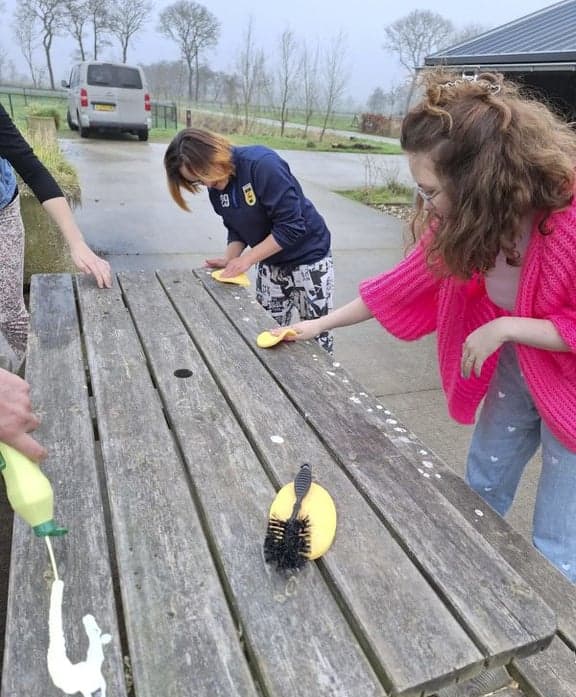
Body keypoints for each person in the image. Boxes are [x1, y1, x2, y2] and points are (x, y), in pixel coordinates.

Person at [274, 69, 576, 583]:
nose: (424, 203)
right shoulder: (463, 224)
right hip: (520, 370)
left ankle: (548, 647)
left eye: (430, 189)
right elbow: (395, 288)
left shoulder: (563, 224)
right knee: (484, 478)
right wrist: (316, 324)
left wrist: (505, 329)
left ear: (479, 179)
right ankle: (471, 587)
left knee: (558, 532)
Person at [163, 128, 334, 353]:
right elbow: (236, 227)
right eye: (198, 182)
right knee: (267, 331)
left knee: (314, 336)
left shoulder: (262, 165)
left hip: (309, 260)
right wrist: (230, 259)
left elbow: (291, 226)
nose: (208, 184)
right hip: (270, 262)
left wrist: (247, 260)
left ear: (214, 153)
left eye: (205, 174)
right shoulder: (216, 188)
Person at [0, 102, 111, 367]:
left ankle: (35, 378)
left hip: (3, 207)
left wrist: (77, 243)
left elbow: (31, 168)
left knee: (10, 313)